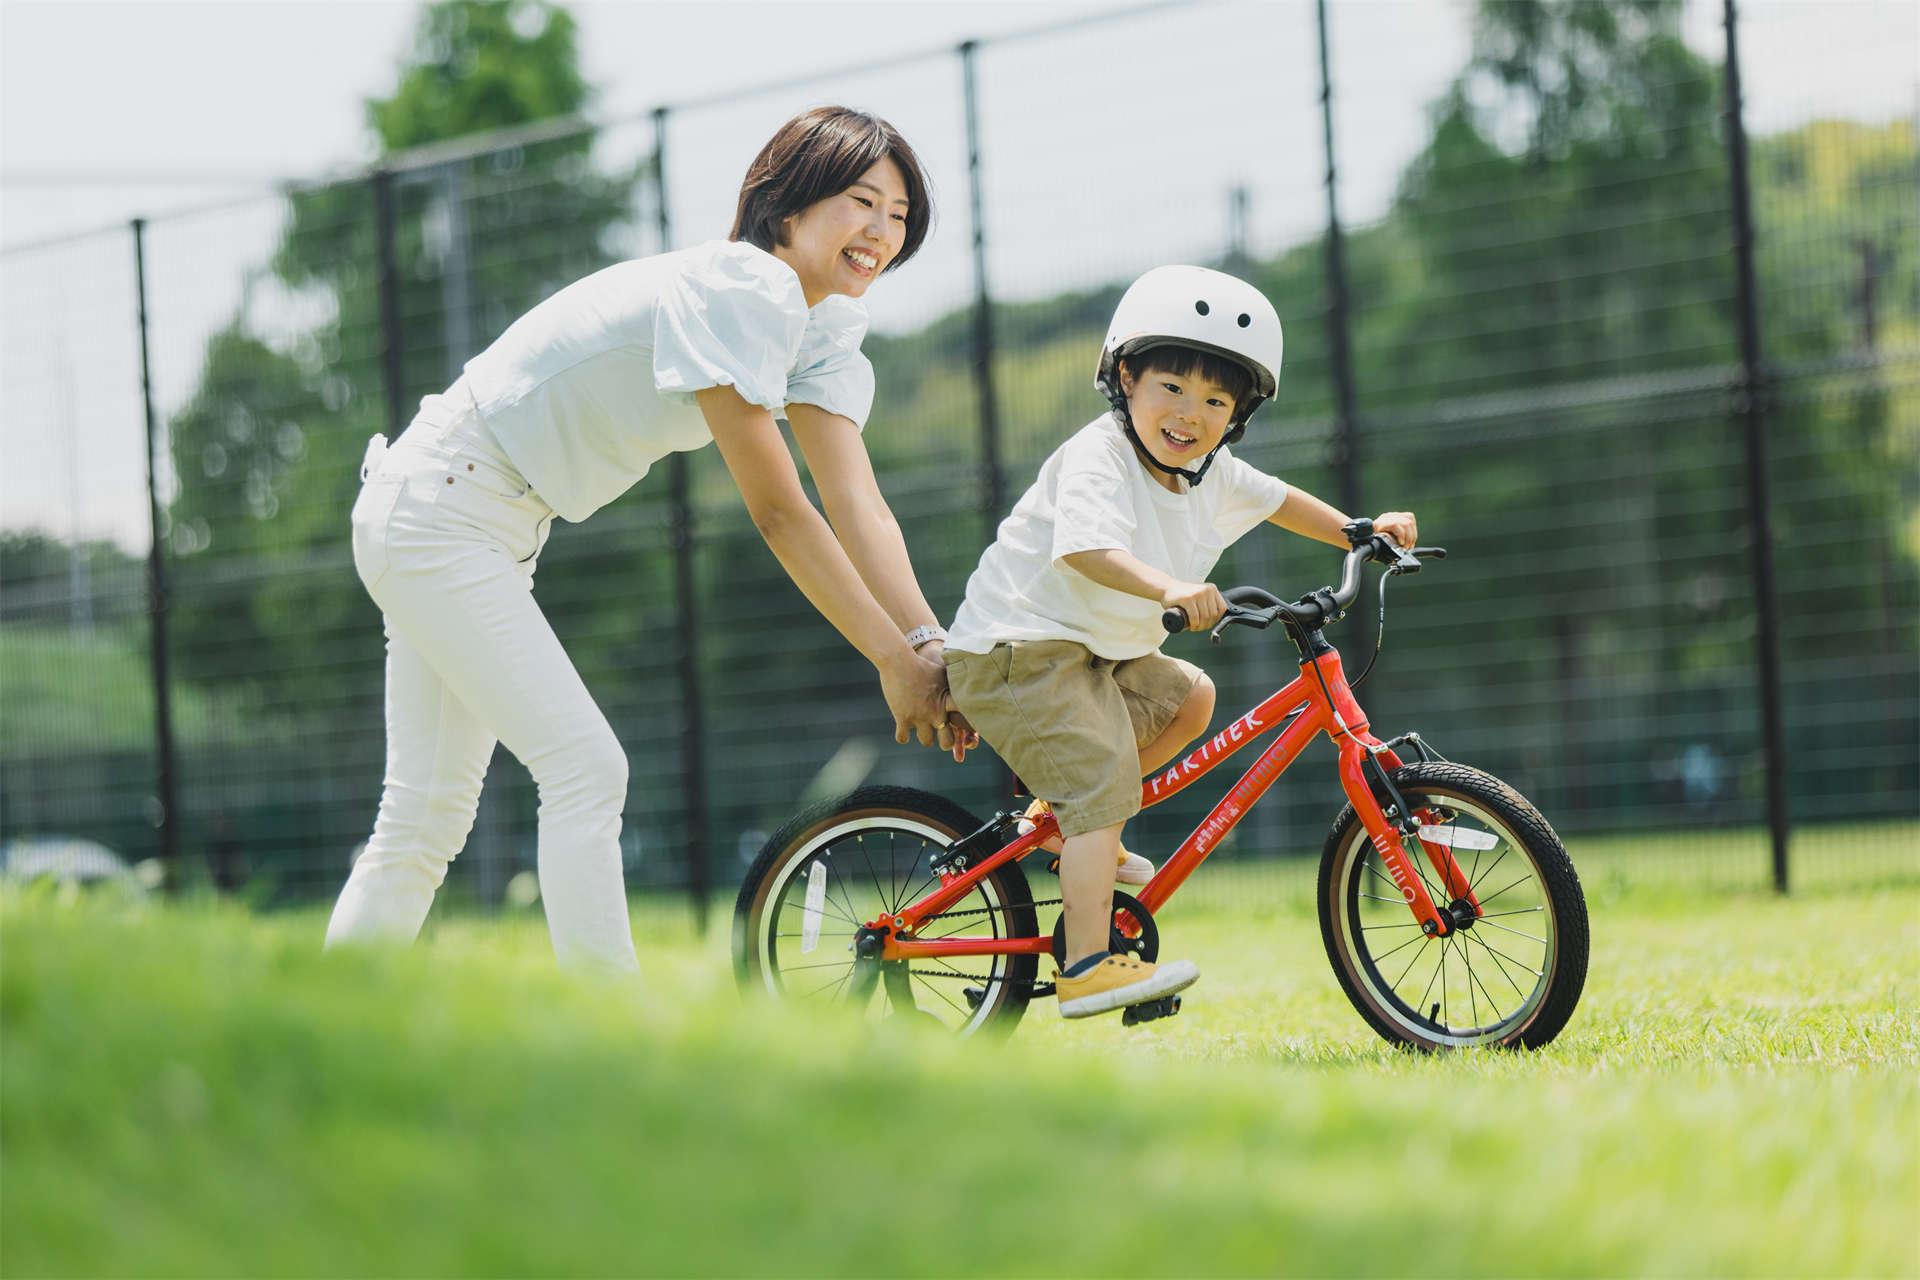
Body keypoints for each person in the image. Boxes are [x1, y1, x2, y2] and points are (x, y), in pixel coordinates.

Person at [328, 106, 968, 973]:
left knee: (425, 814)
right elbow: (782, 512)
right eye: (862, 200)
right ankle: (615, 1034)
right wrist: (892, 661)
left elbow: (856, 501)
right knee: (585, 769)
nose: (881, 232)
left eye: (899, 216)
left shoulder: (815, 323)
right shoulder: (746, 286)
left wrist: (927, 641)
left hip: (466, 521)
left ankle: (336, 1005)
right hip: (442, 510)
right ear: (787, 205)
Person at [942, 265, 1418, 1018]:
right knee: (1099, 783)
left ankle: (1058, 824)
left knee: (1191, 698)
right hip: (1019, 649)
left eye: (1216, 400)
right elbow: (1085, 551)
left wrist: (1358, 531)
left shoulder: (1213, 472)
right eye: (1171, 387)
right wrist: (1168, 590)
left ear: (1237, 415)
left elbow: (1281, 501)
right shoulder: (1101, 455)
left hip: (1094, 653)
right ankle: (1087, 965)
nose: (1189, 413)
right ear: (1125, 377)